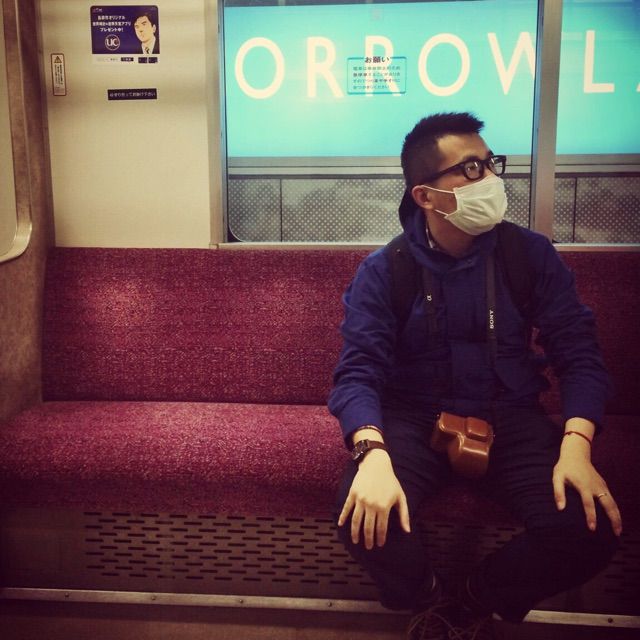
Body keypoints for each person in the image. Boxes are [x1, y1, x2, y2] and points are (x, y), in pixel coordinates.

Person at [328, 112, 622, 639]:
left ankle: (469, 603)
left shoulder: (527, 255)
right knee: (363, 515)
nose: (490, 179)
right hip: (414, 417)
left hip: (509, 415)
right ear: (426, 196)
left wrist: (577, 445)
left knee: (588, 528)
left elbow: (578, 354)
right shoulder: (387, 269)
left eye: (490, 164)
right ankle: (426, 598)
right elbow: (357, 372)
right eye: (470, 169)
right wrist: (370, 452)